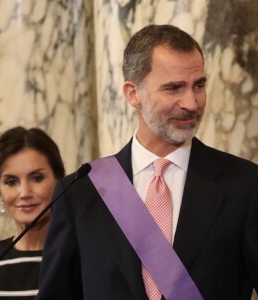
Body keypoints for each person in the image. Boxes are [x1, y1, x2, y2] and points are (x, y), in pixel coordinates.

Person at [36, 25, 258, 300]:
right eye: (173, 88)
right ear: (133, 93)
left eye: (198, 85)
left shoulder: (245, 185)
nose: (191, 102)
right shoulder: (80, 192)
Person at [0, 127, 65, 300]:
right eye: (11, 181)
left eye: (37, 178)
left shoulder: (84, 257)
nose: (24, 192)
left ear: (59, 182)